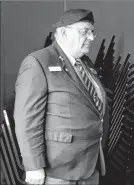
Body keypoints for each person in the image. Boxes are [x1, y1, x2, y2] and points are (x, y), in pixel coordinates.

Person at [14, 9, 109, 185]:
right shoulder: (39, 61)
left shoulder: (85, 64)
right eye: (85, 31)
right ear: (64, 32)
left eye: (92, 32)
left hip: (90, 164)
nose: (91, 37)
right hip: (58, 169)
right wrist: (33, 165)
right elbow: (26, 118)